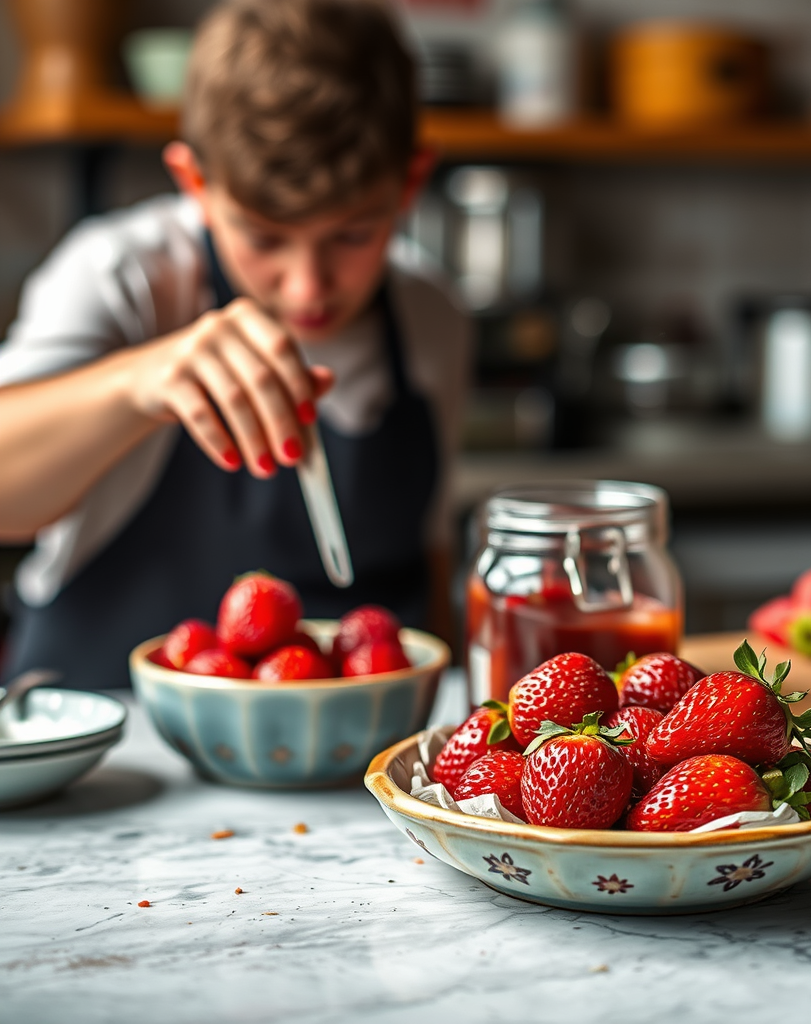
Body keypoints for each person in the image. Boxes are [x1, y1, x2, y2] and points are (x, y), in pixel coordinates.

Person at [0, 0, 471, 689]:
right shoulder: (123, 275)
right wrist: (140, 381)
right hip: (109, 745)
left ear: (411, 182)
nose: (307, 287)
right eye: (264, 238)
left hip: (357, 761)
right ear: (195, 182)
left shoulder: (432, 314)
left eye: (352, 234)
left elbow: (428, 556)